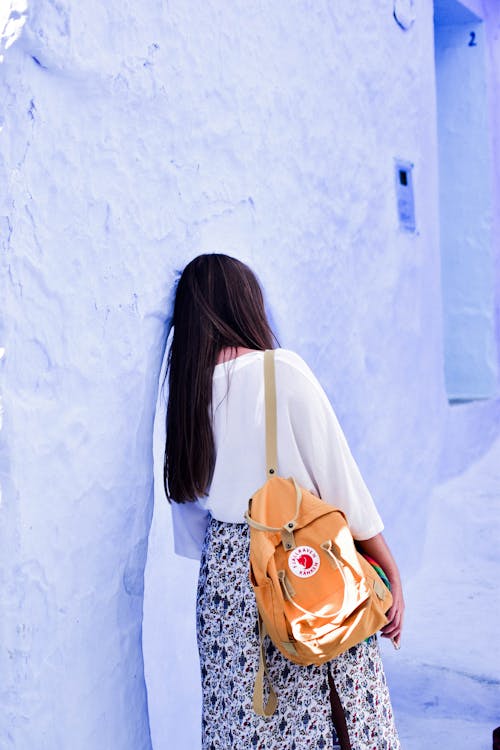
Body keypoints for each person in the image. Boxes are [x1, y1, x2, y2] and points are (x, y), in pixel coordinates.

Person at [162, 253, 404, 750]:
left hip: (226, 582)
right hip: (297, 569)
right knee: (330, 714)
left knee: (245, 724)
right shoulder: (282, 370)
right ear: (245, 306)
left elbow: (190, 526)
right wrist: (388, 568)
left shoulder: (185, 394)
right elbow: (341, 483)